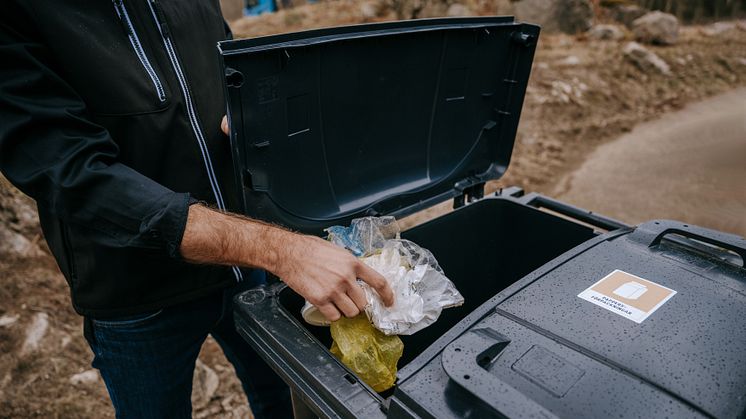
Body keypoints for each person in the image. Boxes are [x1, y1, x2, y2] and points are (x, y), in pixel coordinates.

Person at [0, 1, 394, 418]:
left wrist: (252, 113)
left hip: (246, 262)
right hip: (134, 288)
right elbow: (76, 176)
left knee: (282, 396)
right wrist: (282, 250)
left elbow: (225, 61)